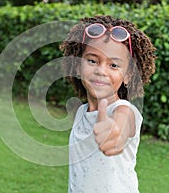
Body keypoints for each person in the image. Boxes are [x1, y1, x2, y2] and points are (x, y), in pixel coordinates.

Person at [60, 15, 157, 192]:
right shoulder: (81, 113)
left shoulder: (124, 110)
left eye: (113, 65)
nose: (101, 71)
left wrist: (116, 131)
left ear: (128, 75)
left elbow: (123, 122)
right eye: (92, 60)